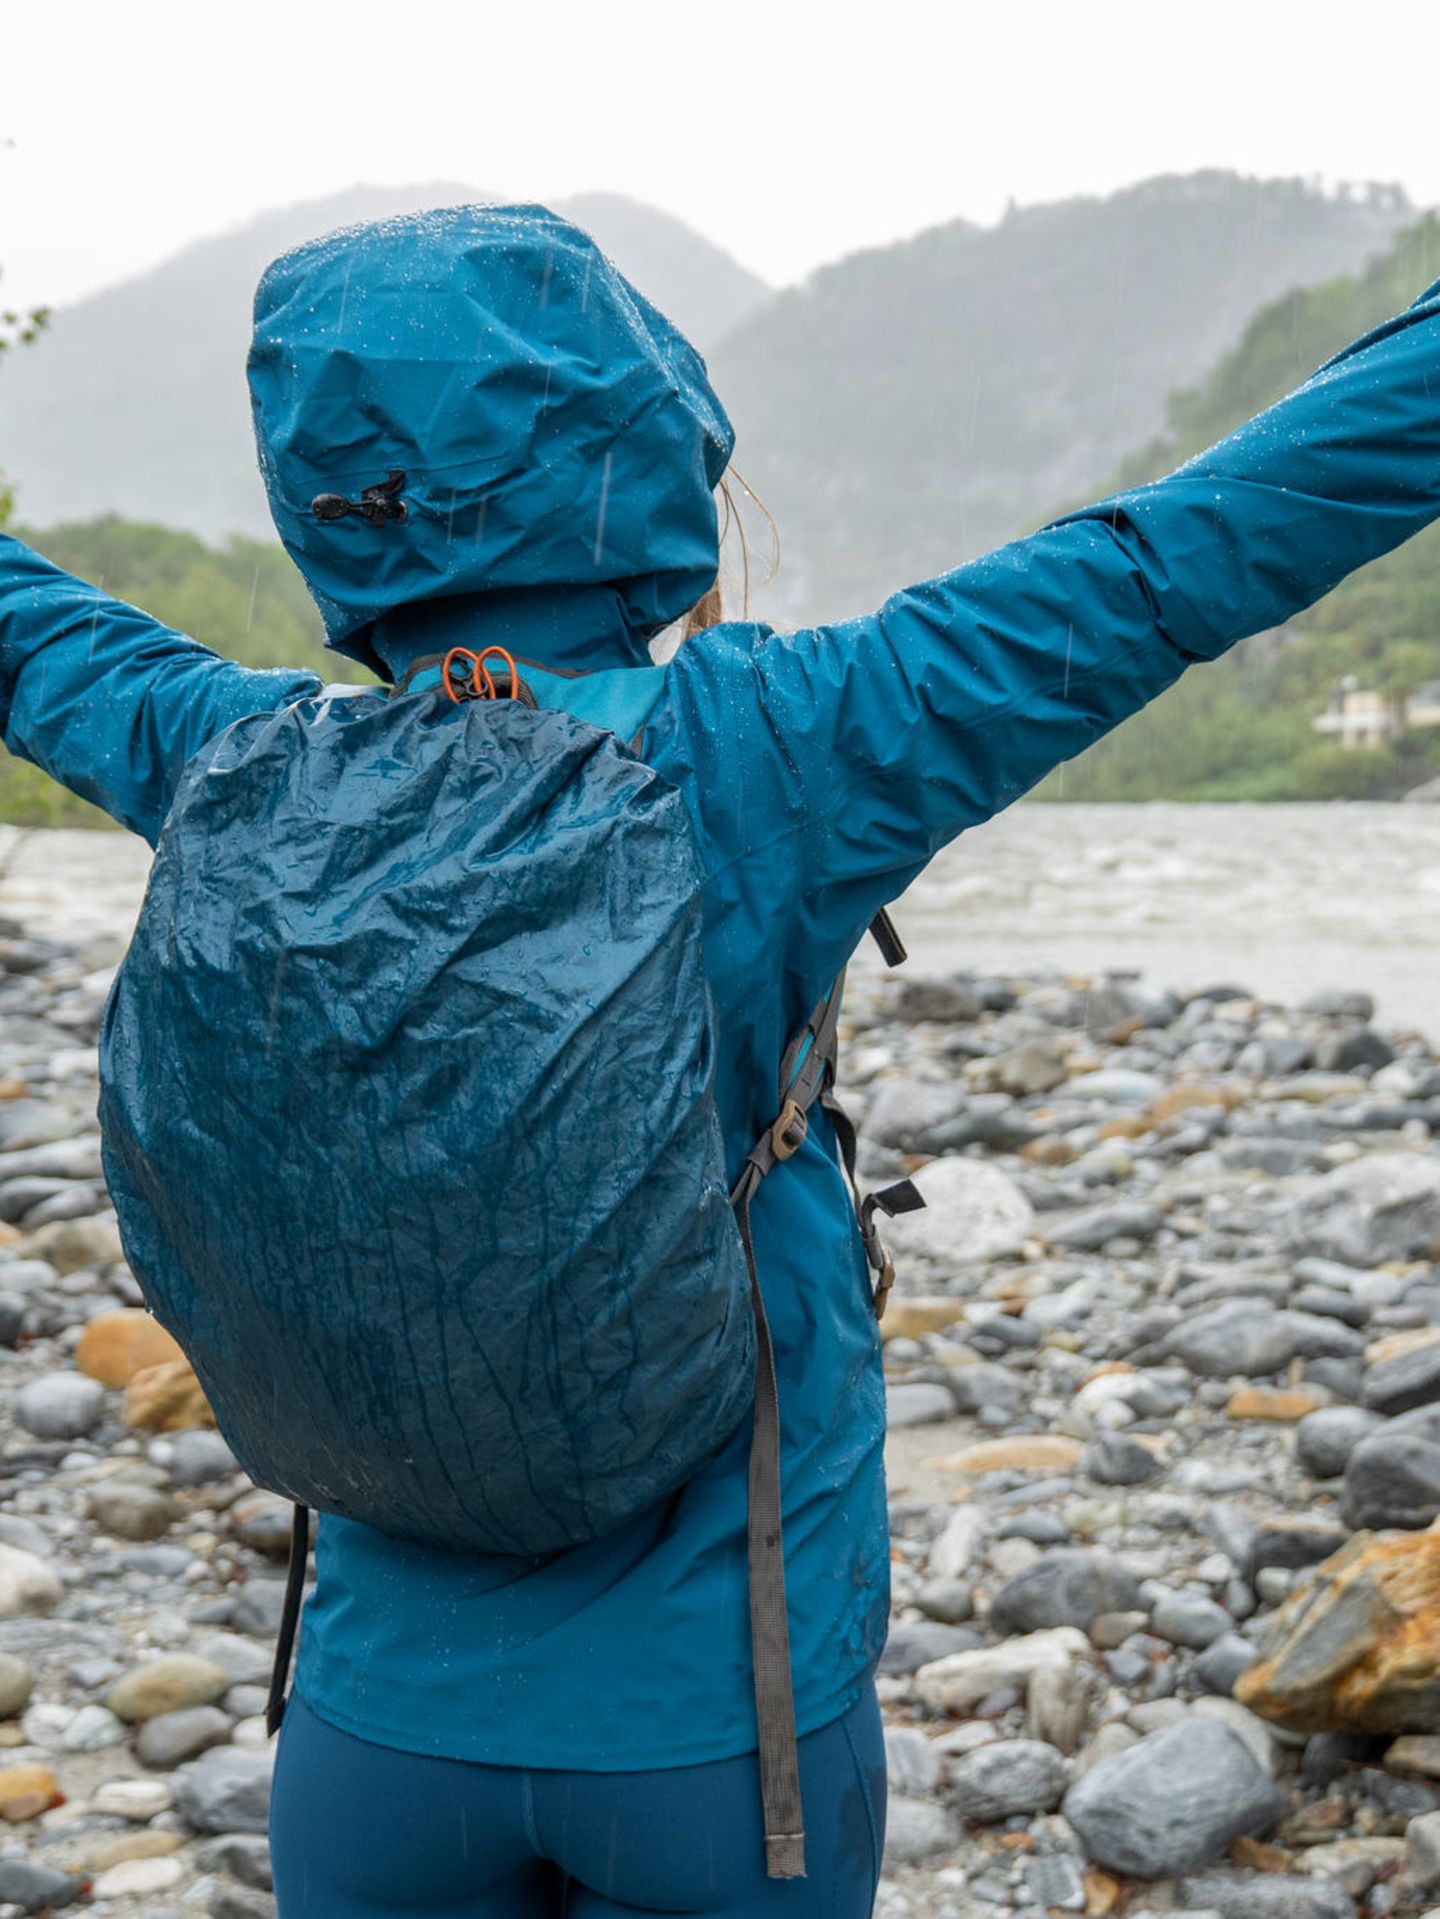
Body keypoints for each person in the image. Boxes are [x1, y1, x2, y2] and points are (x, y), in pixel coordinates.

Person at [0, 200, 1437, 1918]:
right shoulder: (793, 745)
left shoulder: (228, 761)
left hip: (370, 1745)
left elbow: (28, 624)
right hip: (717, 1739)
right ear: (639, 442)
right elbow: (1187, 550)